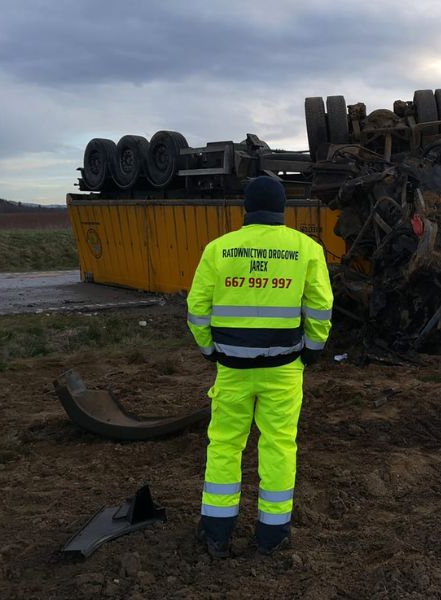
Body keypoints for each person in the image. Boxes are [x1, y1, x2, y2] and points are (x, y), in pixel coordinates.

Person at [186, 176, 333, 557]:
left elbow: (197, 309)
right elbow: (320, 308)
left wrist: (209, 351)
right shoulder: (307, 249)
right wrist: (311, 351)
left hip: (231, 368)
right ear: (283, 208)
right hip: (285, 368)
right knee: (280, 444)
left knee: (224, 445)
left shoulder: (218, 249)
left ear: (245, 209)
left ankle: (216, 532)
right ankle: (272, 534)